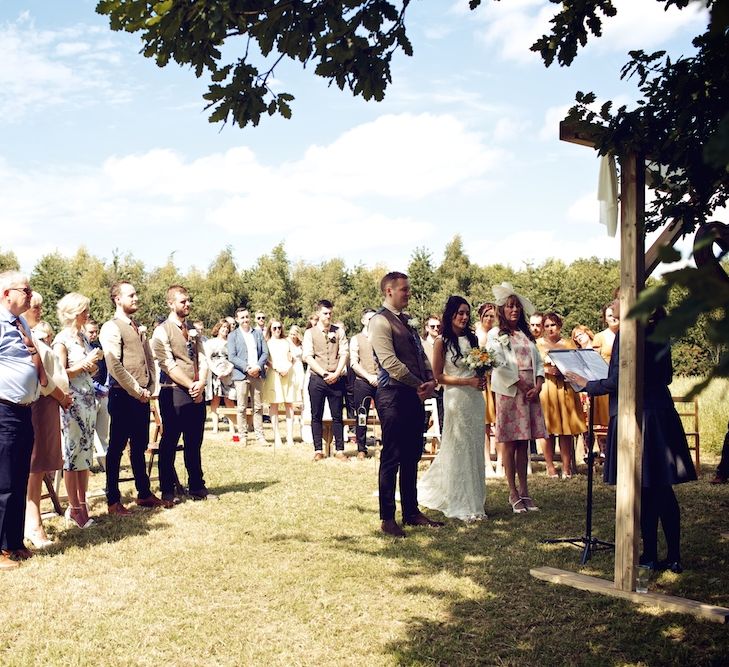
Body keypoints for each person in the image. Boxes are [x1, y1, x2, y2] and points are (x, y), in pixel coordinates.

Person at [567, 303, 697, 573]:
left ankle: (657, 555)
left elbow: (618, 381)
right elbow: (666, 376)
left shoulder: (631, 335)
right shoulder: (658, 333)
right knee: (654, 488)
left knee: (652, 489)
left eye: (618, 304)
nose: (614, 309)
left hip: (642, 418)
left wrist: (586, 384)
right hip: (658, 413)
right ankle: (665, 555)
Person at [369, 271, 441, 537]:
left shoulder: (407, 322)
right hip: (393, 396)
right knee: (392, 456)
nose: (408, 293)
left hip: (413, 395)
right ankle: (387, 518)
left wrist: (431, 378)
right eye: (404, 290)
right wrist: (417, 383)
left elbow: (420, 354)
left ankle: (411, 511)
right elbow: (390, 363)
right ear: (389, 291)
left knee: (412, 454)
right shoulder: (379, 322)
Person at [418, 296, 487, 522]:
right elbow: (438, 376)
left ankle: (476, 500)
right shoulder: (442, 341)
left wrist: (481, 376)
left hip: (475, 399)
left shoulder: (473, 339)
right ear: (451, 315)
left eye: (467, 313)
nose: (464, 317)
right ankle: (461, 501)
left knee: (474, 447)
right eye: (460, 313)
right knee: (460, 446)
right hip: (456, 398)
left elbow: (478, 367)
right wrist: (467, 382)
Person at [99, 281, 164, 516]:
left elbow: (148, 359)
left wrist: (151, 386)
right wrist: (137, 389)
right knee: (116, 447)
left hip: (141, 397)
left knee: (139, 447)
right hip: (123, 396)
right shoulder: (111, 327)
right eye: (131, 295)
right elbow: (114, 365)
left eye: (136, 294)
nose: (136, 298)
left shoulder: (136, 326)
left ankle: (144, 493)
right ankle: (113, 500)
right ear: (117, 299)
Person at [0, 272, 46, 569]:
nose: (30, 294)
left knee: (18, 478)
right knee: (3, 482)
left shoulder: (22, 323)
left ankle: (14, 543)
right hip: (3, 411)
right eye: (25, 290)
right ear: (6, 293)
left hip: (24, 411)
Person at [488, 283, 546, 514]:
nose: (514, 311)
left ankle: (525, 490)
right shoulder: (495, 335)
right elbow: (499, 363)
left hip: (531, 392)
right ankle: (512, 492)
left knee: (525, 442)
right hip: (511, 391)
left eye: (517, 307)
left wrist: (538, 384)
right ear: (502, 310)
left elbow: (538, 361)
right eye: (510, 307)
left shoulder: (525, 334)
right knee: (511, 442)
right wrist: (521, 384)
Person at [151, 285, 212, 505]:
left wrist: (201, 382)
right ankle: (167, 490)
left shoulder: (194, 330)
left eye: (188, 300)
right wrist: (190, 385)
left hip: (196, 390)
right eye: (182, 301)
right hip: (173, 392)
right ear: (170, 303)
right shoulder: (162, 331)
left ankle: (197, 486)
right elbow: (167, 363)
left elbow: (204, 358)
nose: (187, 304)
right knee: (170, 442)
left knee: (194, 442)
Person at [22, 295, 71, 548]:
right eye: (34, 306)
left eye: (40, 306)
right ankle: (33, 523)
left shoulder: (36, 336)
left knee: (40, 466)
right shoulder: (24, 337)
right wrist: (62, 396)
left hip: (49, 403)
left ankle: (32, 521)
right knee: (34, 466)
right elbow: (43, 377)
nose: (39, 310)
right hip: (40, 402)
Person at [53, 292, 102, 529]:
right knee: (72, 456)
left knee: (85, 455)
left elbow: (84, 371)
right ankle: (74, 508)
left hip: (88, 400)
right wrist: (83, 365)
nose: (88, 314)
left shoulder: (83, 337)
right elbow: (60, 373)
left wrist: (91, 365)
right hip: (71, 402)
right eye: (84, 310)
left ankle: (83, 503)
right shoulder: (62, 340)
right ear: (74, 313)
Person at [535, 312, 586, 479]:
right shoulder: (538, 345)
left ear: (559, 326)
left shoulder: (568, 344)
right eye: (547, 325)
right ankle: (550, 466)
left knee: (565, 430)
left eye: (553, 325)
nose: (550, 329)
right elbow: (533, 367)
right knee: (547, 429)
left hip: (565, 388)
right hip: (547, 388)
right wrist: (547, 370)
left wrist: (565, 372)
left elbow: (578, 367)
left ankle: (566, 467)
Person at [303, 300, 349, 461]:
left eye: (330, 313)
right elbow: (308, 356)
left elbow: (344, 353)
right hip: (317, 378)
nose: (328, 316)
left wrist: (336, 373)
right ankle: (318, 449)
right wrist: (323, 373)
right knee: (316, 415)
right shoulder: (310, 333)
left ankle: (340, 450)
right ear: (318, 314)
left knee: (337, 415)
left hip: (336, 378)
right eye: (325, 313)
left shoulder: (339, 331)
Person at [228, 308, 269, 445]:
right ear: (237, 319)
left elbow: (265, 352)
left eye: (247, 317)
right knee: (241, 407)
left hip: (257, 374)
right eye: (242, 318)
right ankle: (243, 436)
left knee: (258, 407)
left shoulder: (257, 334)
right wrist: (247, 368)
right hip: (241, 374)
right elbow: (232, 356)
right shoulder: (233, 335)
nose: (245, 320)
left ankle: (260, 436)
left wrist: (258, 366)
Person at [476, 301, 502, 477]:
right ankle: (486, 462)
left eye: (492, 315)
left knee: (500, 423)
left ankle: (501, 462)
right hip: (483, 381)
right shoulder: (475, 335)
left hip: (499, 380)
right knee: (484, 423)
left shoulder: (500, 334)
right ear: (480, 317)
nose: (489, 318)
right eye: (486, 315)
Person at [349, 309, 378, 459]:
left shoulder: (382, 337)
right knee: (361, 415)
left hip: (381, 381)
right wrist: (368, 376)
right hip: (362, 382)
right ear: (363, 321)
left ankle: (386, 446)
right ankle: (361, 447)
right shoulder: (356, 339)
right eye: (369, 319)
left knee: (387, 415)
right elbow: (354, 363)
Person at [262, 319, 296, 447]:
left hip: (287, 374)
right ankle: (277, 436)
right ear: (270, 329)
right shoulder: (267, 343)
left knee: (289, 405)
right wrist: (277, 368)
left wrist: (287, 367)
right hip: (274, 374)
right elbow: (266, 360)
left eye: (279, 328)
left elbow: (291, 356)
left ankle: (290, 436)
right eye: (274, 328)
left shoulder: (286, 342)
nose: (277, 330)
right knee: (274, 405)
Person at [203, 319, 237, 435]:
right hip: (214, 373)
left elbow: (234, 359)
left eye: (227, 328)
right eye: (223, 327)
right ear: (218, 328)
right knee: (215, 400)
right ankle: (215, 427)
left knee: (230, 400)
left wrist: (227, 371)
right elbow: (207, 358)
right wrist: (216, 371)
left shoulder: (232, 343)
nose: (225, 329)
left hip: (228, 374)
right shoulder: (210, 343)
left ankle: (232, 427)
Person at [84, 318, 110, 463]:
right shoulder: (83, 348)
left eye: (96, 332)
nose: (94, 335)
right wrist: (100, 388)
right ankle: (87, 464)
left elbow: (107, 369)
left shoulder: (100, 346)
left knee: (103, 431)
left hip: (103, 394)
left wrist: (106, 387)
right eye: (91, 332)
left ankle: (104, 462)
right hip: (88, 394)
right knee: (87, 432)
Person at [421, 314, 445, 432]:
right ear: (426, 328)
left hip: (443, 386)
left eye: (438, 326)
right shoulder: (421, 346)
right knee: (424, 419)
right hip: (427, 386)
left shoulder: (445, 344)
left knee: (443, 419)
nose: (436, 328)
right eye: (432, 326)